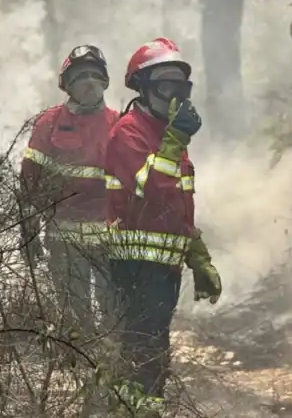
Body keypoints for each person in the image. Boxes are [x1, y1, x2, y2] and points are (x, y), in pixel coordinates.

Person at [104, 37, 223, 395]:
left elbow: (175, 205)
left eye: (180, 87)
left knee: (155, 357)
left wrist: (197, 256)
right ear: (141, 88)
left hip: (163, 268)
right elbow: (154, 186)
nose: (174, 96)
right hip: (136, 268)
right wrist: (175, 139)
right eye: (164, 85)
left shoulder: (168, 136)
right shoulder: (129, 132)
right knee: (142, 357)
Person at [19, 44, 119, 332]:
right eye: (80, 75)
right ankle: (80, 367)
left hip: (109, 240)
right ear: (67, 84)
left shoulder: (119, 123)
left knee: (112, 308)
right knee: (74, 314)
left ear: (104, 81)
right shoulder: (49, 123)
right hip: (63, 238)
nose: (88, 81)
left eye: (94, 74)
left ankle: (113, 367)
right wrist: (28, 232)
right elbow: (30, 181)